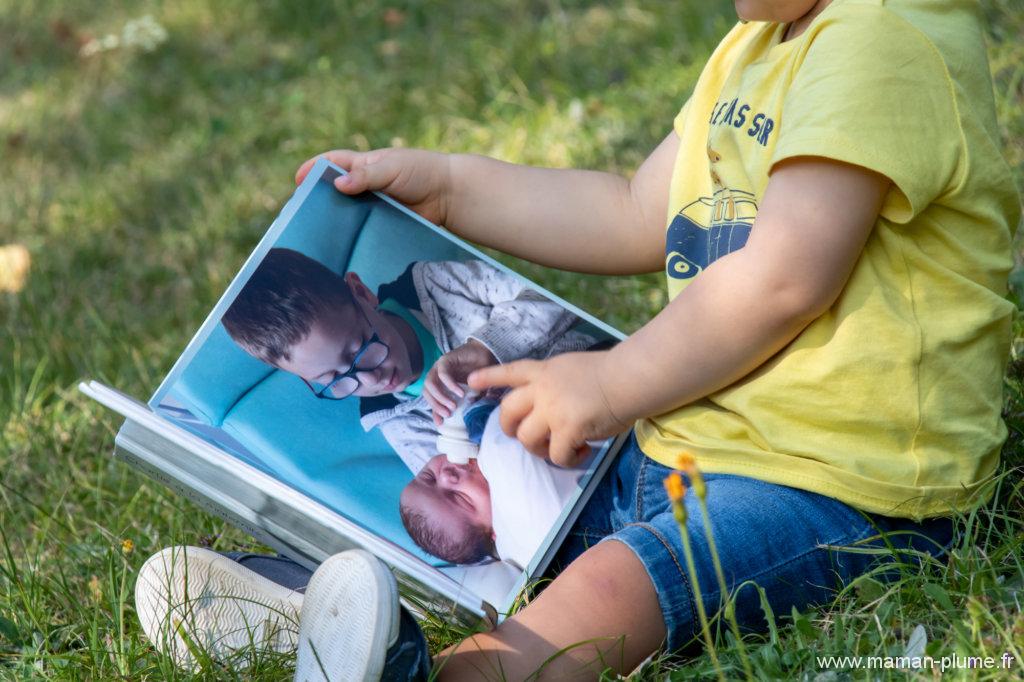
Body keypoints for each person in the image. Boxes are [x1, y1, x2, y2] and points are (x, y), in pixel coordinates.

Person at [135, 0, 1019, 679]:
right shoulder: (756, 49)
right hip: (684, 447)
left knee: (611, 587)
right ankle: (327, 617)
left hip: (842, 484)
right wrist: (446, 189)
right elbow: (634, 211)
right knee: (499, 522)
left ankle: (439, 672)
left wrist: (610, 380)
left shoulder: (882, 37)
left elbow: (786, 276)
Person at [221, 247, 594, 472]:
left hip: (593, 383)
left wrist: (484, 349)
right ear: (311, 382)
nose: (370, 378)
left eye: (359, 347)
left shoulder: (433, 286)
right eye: (335, 378)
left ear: (361, 292)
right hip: (556, 460)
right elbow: (468, 489)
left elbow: (551, 299)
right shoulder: (392, 420)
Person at [400, 401, 589, 568]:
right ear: (492, 533)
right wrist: (476, 413)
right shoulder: (515, 521)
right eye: (460, 498)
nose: (446, 476)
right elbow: (504, 445)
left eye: (429, 477)